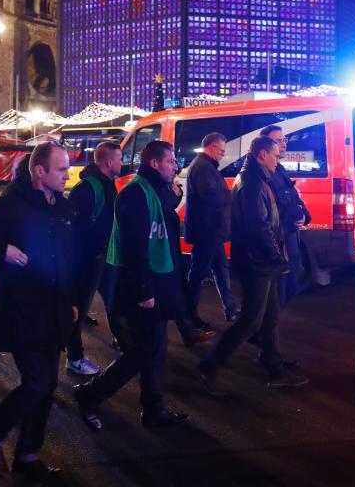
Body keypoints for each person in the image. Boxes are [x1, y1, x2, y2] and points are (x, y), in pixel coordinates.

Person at [0, 142, 77, 481]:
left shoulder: (61, 208)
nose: (67, 174)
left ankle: (27, 455)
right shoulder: (11, 205)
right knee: (37, 382)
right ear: (40, 171)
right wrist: (1, 250)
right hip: (22, 308)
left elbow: (66, 259)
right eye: (61, 169)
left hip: (54, 308)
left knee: (48, 384)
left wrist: (71, 300)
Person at [73, 140, 190, 431]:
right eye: (170, 162)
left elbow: (166, 215)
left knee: (156, 349)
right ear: (154, 163)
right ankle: (89, 393)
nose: (175, 167)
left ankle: (154, 408)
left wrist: (175, 190)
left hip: (159, 283)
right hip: (142, 288)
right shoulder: (135, 194)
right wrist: (143, 290)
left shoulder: (153, 191)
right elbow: (134, 246)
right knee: (142, 352)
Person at [198, 136, 309, 395]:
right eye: (274, 154)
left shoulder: (257, 178)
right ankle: (209, 364)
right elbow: (258, 227)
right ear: (261, 154)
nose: (278, 158)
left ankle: (274, 366)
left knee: (270, 317)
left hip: (260, 260)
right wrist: (275, 257)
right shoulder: (251, 182)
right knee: (251, 320)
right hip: (257, 262)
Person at [65, 141, 123, 377]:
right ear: (109, 162)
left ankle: (123, 339)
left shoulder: (107, 183)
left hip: (103, 256)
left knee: (115, 300)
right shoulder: (88, 188)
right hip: (88, 260)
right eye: (119, 159)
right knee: (78, 310)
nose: (122, 163)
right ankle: (74, 358)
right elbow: (75, 229)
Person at [184, 132, 240, 324]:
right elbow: (212, 196)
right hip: (206, 231)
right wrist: (233, 197)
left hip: (212, 231)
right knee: (198, 274)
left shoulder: (207, 166)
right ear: (211, 147)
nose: (222, 155)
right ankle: (189, 316)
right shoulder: (202, 168)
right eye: (221, 151)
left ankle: (230, 307)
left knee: (221, 269)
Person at [260, 125, 312, 309]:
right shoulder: (265, 175)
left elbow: (293, 197)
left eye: (284, 140)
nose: (283, 144)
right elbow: (273, 210)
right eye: (278, 140)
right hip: (280, 242)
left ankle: (264, 331)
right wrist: (295, 213)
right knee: (278, 294)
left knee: (290, 287)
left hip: (290, 237)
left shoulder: (279, 169)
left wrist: (304, 215)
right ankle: (262, 333)